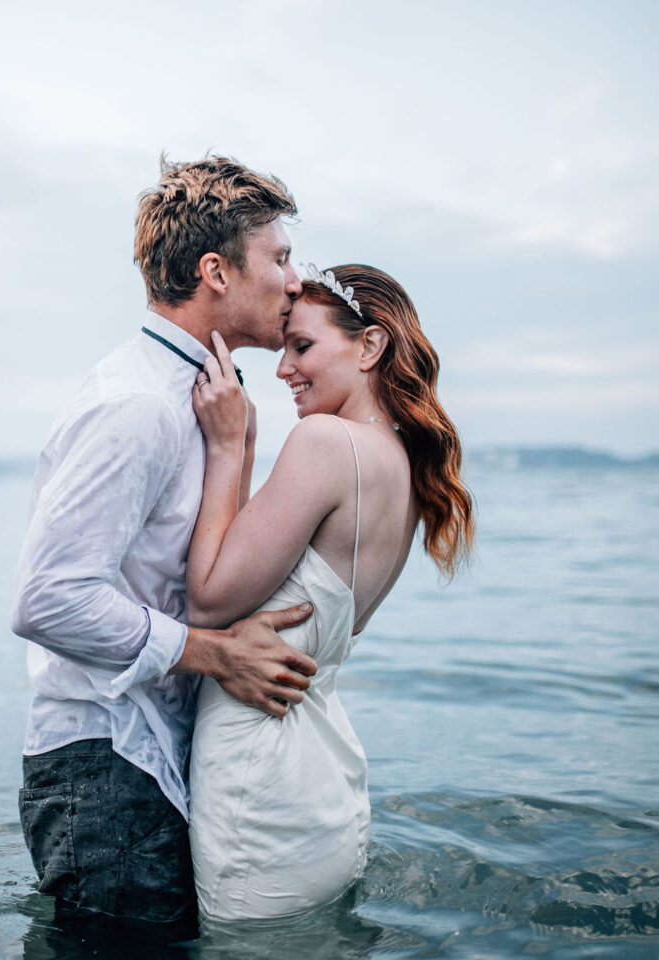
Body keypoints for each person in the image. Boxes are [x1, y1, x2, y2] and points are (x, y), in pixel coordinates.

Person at [10, 156, 320, 941]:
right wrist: (217, 655)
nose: (295, 278)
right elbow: (49, 599)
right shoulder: (138, 407)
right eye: (279, 258)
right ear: (216, 271)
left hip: (145, 760)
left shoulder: (203, 398)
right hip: (104, 765)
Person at [184, 264, 475, 922]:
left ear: (369, 347)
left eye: (302, 347)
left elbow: (206, 599)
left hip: (261, 770)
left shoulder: (325, 444)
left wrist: (229, 447)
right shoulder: (398, 466)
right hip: (323, 777)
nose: (283, 368)